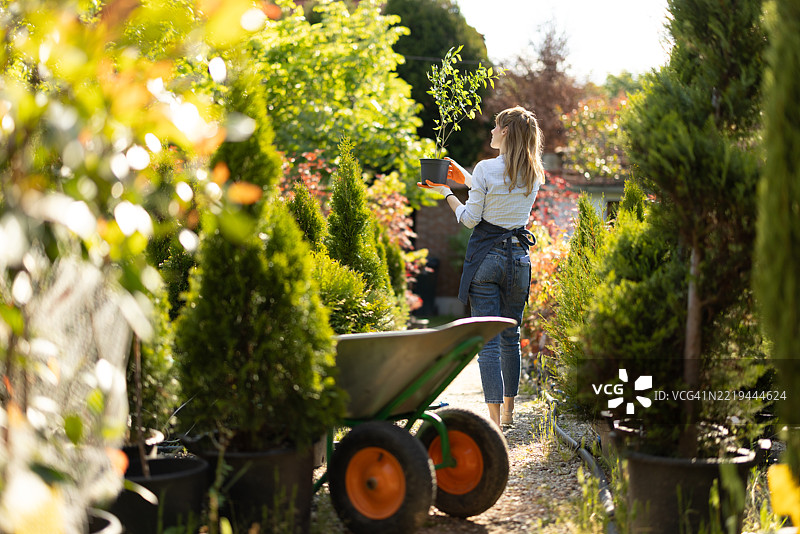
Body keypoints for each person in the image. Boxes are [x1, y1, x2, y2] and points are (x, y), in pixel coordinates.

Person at [418, 106, 545, 428]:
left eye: (495, 127)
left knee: (488, 341)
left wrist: (447, 192)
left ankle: (492, 421)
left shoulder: (487, 169)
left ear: (505, 132)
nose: (490, 132)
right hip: (518, 259)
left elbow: (471, 219)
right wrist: (468, 179)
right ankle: (509, 415)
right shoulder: (534, 172)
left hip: (486, 261)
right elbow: (502, 194)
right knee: (510, 337)